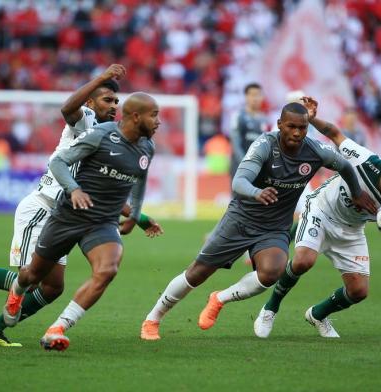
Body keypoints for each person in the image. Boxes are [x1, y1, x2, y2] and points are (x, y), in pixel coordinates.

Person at [140, 101, 377, 341]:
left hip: (274, 227)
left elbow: (345, 166)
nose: (296, 133)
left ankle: (219, 299)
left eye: (302, 128)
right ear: (279, 125)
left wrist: (357, 193)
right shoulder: (265, 145)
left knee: (271, 271)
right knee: (197, 273)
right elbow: (239, 182)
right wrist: (256, 192)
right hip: (241, 219)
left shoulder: (315, 151)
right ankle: (153, 318)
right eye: (291, 126)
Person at [0, 67, 162, 347]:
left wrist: (138, 216)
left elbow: (109, 187)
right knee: (33, 279)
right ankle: (7, 310)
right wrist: (101, 78)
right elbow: (68, 107)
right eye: (107, 99)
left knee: (53, 287)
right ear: (90, 103)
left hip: (82, 212)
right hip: (45, 208)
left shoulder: (124, 139)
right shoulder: (86, 122)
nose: (114, 105)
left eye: (117, 101)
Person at [254, 98, 379, 338]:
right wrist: (310, 119)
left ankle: (318, 314)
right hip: (323, 209)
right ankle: (270, 308)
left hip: (352, 229)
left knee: (359, 291)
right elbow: (334, 133)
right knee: (303, 261)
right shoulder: (368, 162)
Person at [229, 82, 269, 182]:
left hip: (257, 167)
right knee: (238, 196)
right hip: (240, 165)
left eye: (258, 95)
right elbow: (235, 144)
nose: (255, 98)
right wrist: (245, 164)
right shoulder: (238, 116)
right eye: (252, 95)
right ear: (246, 97)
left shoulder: (264, 119)